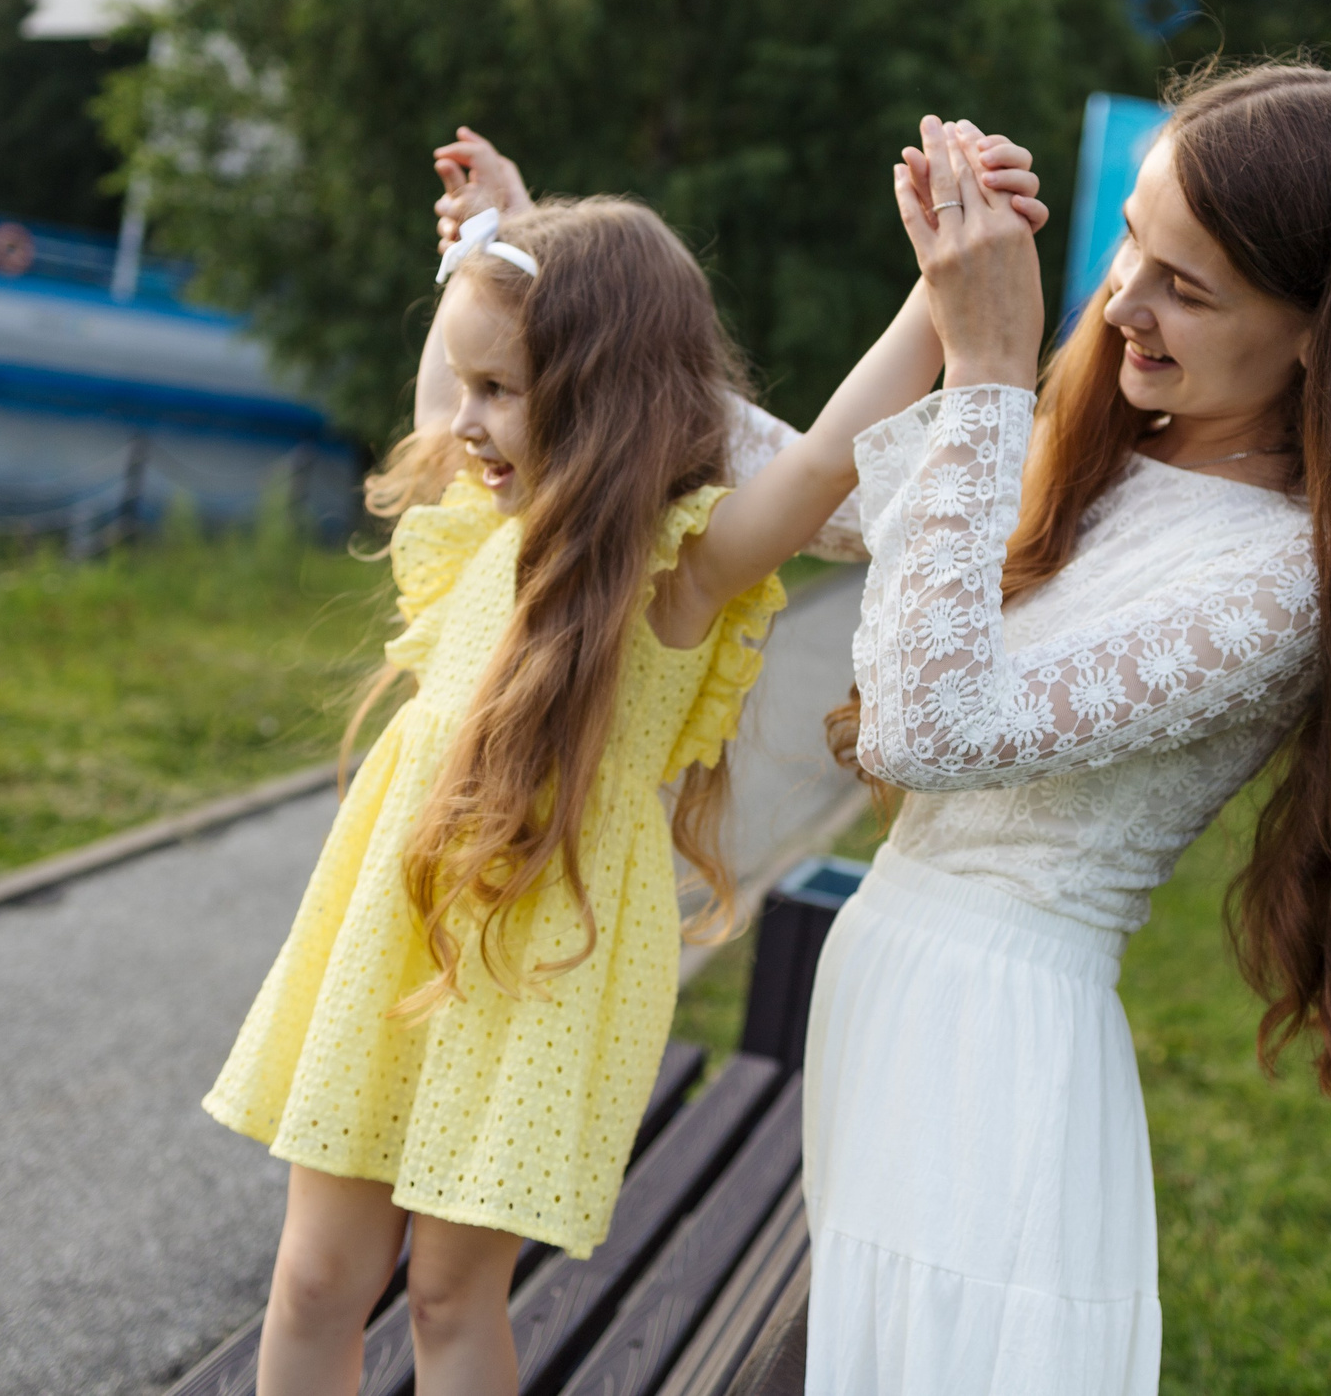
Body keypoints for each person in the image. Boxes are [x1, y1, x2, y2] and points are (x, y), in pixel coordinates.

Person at [202, 146, 1041, 1395]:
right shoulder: (486, 524)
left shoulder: (676, 572)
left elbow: (817, 464)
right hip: (399, 923)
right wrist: (501, 227)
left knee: (445, 1294)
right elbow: (455, 371)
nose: (467, 419)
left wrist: (940, 290)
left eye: (503, 391)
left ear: (601, 397)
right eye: (470, 384)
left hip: (542, 967)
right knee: (318, 1280)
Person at [805, 63, 1331, 1395]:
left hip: (994, 1070)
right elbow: (825, 504)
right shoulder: (1121, 452)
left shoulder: (1277, 584)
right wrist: (555, 292)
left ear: (1321, 329)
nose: (1122, 300)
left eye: (1187, 285)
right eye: (1129, 244)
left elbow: (924, 723)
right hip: (895, 1009)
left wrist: (989, 368)